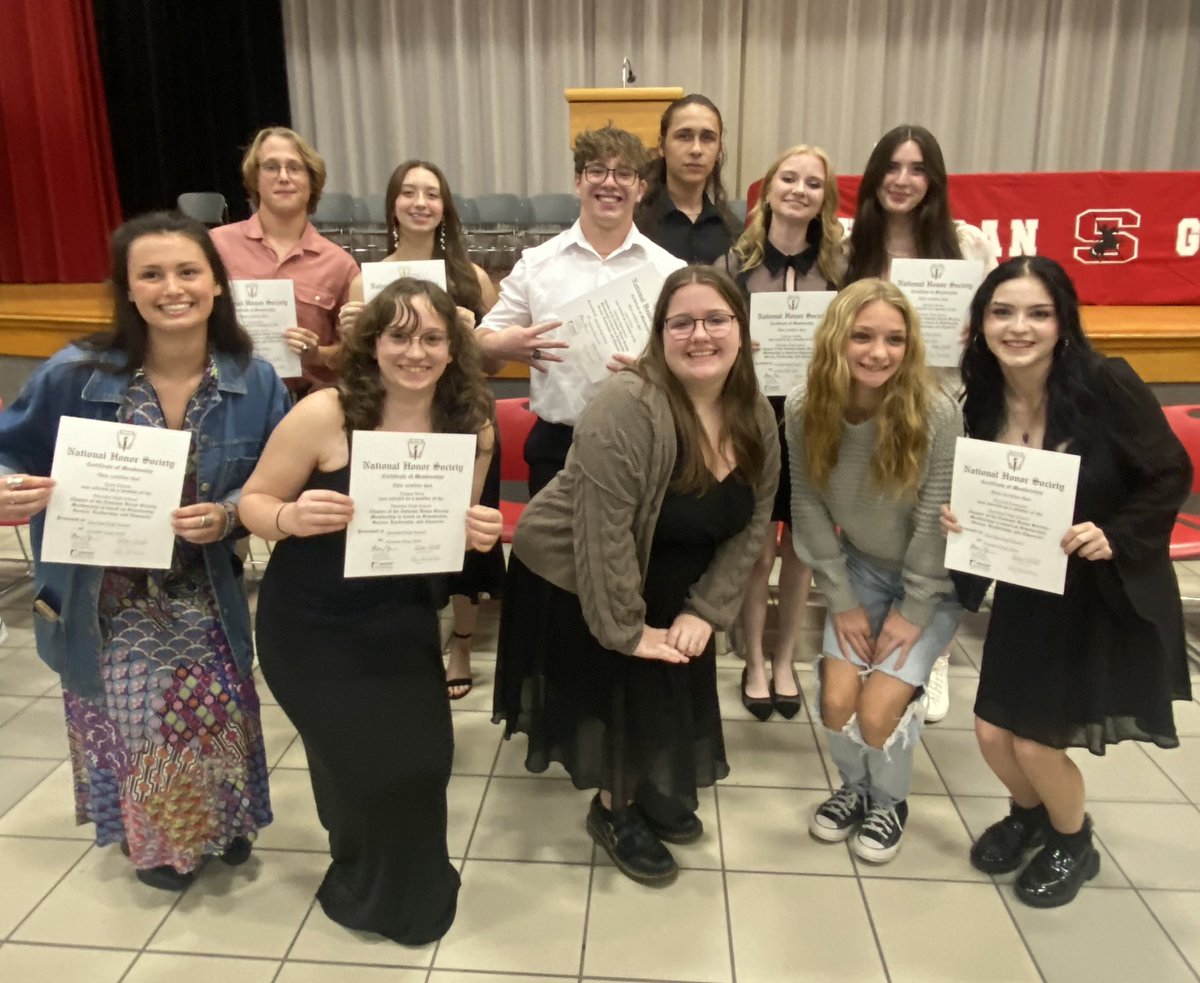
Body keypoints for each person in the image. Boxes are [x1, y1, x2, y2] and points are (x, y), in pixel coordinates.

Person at [0, 212, 289, 890]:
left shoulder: (255, 379)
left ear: (216, 284)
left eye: (188, 271)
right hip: (107, 595)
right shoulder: (75, 374)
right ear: (128, 290)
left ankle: (223, 820)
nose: (172, 287)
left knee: (220, 709)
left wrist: (224, 515)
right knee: (142, 720)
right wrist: (9, 486)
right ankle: (164, 843)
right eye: (151, 274)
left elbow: (278, 476)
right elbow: (7, 446)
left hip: (206, 587)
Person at [493, 266, 779, 885]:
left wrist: (706, 610)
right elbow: (604, 534)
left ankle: (650, 788)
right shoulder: (626, 405)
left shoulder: (753, 407)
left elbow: (754, 522)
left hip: (675, 569)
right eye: (682, 322)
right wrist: (626, 629)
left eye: (716, 320)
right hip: (581, 572)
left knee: (670, 686)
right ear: (660, 334)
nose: (700, 335)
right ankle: (613, 808)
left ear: (740, 329)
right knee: (623, 691)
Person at [240, 277, 502, 944]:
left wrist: (472, 532)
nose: (415, 351)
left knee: (422, 764)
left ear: (454, 349)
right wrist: (292, 516)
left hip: (400, 617)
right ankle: (362, 878)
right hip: (312, 622)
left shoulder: (470, 424)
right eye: (399, 335)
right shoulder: (326, 412)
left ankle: (404, 882)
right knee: (363, 764)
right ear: (372, 342)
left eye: (432, 337)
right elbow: (252, 504)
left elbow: (441, 545)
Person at [943, 256, 1192, 907]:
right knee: (993, 732)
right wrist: (963, 518)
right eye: (1002, 311)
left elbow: (1169, 471)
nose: (1017, 326)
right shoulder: (985, 393)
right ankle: (1029, 816)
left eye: (1037, 312)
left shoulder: (1106, 382)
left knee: (1036, 739)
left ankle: (1072, 840)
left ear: (1063, 322)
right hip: (1028, 588)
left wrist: (1115, 532)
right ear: (982, 322)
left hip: (1096, 593)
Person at [785, 278, 962, 863]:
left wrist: (913, 612)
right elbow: (807, 505)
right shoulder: (804, 407)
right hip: (858, 572)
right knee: (838, 701)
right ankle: (854, 788)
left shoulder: (935, 412)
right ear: (837, 338)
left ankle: (889, 801)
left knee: (878, 710)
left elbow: (936, 520)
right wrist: (840, 598)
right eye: (862, 336)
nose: (878, 352)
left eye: (894, 338)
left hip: (928, 585)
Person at [844, 123, 997, 722]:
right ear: (875, 175)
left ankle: (931, 660)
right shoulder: (848, 242)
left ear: (933, 179)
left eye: (916, 168)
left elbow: (1003, 319)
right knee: (883, 528)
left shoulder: (969, 244)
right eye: (892, 167)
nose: (903, 180)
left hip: (943, 405)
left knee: (934, 527)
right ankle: (878, 644)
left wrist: (976, 329)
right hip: (870, 408)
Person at [338, 160, 503, 700]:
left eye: (431, 193)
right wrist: (346, 333)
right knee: (398, 529)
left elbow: (495, 364)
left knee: (462, 542)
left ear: (445, 207)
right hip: (392, 428)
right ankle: (404, 637)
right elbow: (354, 366)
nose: (419, 202)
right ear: (392, 205)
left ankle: (459, 642)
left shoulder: (472, 279)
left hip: (460, 422)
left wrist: (473, 334)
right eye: (408, 192)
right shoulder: (364, 279)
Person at [477, 125, 685, 496]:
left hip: (642, 441)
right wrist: (499, 344)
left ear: (640, 188)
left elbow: (689, 362)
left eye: (624, 173)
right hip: (557, 448)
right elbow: (480, 344)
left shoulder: (671, 271)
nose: (610, 183)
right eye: (596, 171)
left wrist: (659, 373)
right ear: (578, 182)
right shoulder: (536, 264)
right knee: (549, 554)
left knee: (633, 555)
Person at [715, 144, 846, 721]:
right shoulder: (734, 265)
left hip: (817, 421)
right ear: (767, 191)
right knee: (756, 542)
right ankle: (753, 660)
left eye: (812, 183)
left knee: (803, 544)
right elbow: (709, 342)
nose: (799, 189)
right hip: (753, 419)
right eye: (788, 179)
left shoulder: (842, 270)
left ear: (825, 199)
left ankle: (787, 655)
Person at [211, 126, 360, 397]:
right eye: (271, 167)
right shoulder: (216, 246)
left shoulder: (339, 264)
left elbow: (355, 355)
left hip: (303, 402)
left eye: (294, 168)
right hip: (224, 396)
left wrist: (316, 355)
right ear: (255, 179)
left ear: (312, 182)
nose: (283, 177)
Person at [634, 93, 742, 264]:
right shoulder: (633, 224)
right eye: (684, 136)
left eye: (708, 138)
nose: (696, 149)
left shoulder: (733, 232)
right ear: (662, 146)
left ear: (718, 150)